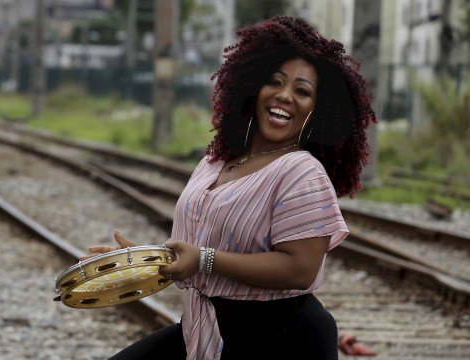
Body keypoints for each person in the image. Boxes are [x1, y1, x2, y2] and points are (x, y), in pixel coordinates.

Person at [85, 16, 376, 359]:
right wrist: (145, 262)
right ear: (253, 88)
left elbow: (301, 268)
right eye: (275, 82)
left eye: (302, 91)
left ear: (319, 110)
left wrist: (205, 261)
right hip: (205, 326)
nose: (284, 96)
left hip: (279, 339)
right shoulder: (216, 161)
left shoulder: (302, 172)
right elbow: (200, 247)